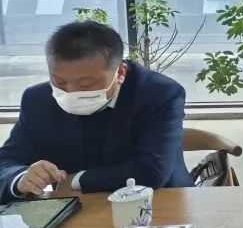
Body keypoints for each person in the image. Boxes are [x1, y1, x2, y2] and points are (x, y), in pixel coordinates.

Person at [0, 21, 189, 204]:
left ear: (120, 73)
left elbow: (151, 170)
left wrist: (76, 180)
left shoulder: (159, 94)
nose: (71, 92)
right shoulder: (38, 100)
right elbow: (6, 162)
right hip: (76, 209)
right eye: (60, 82)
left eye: (86, 84)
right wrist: (20, 179)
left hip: (158, 204)